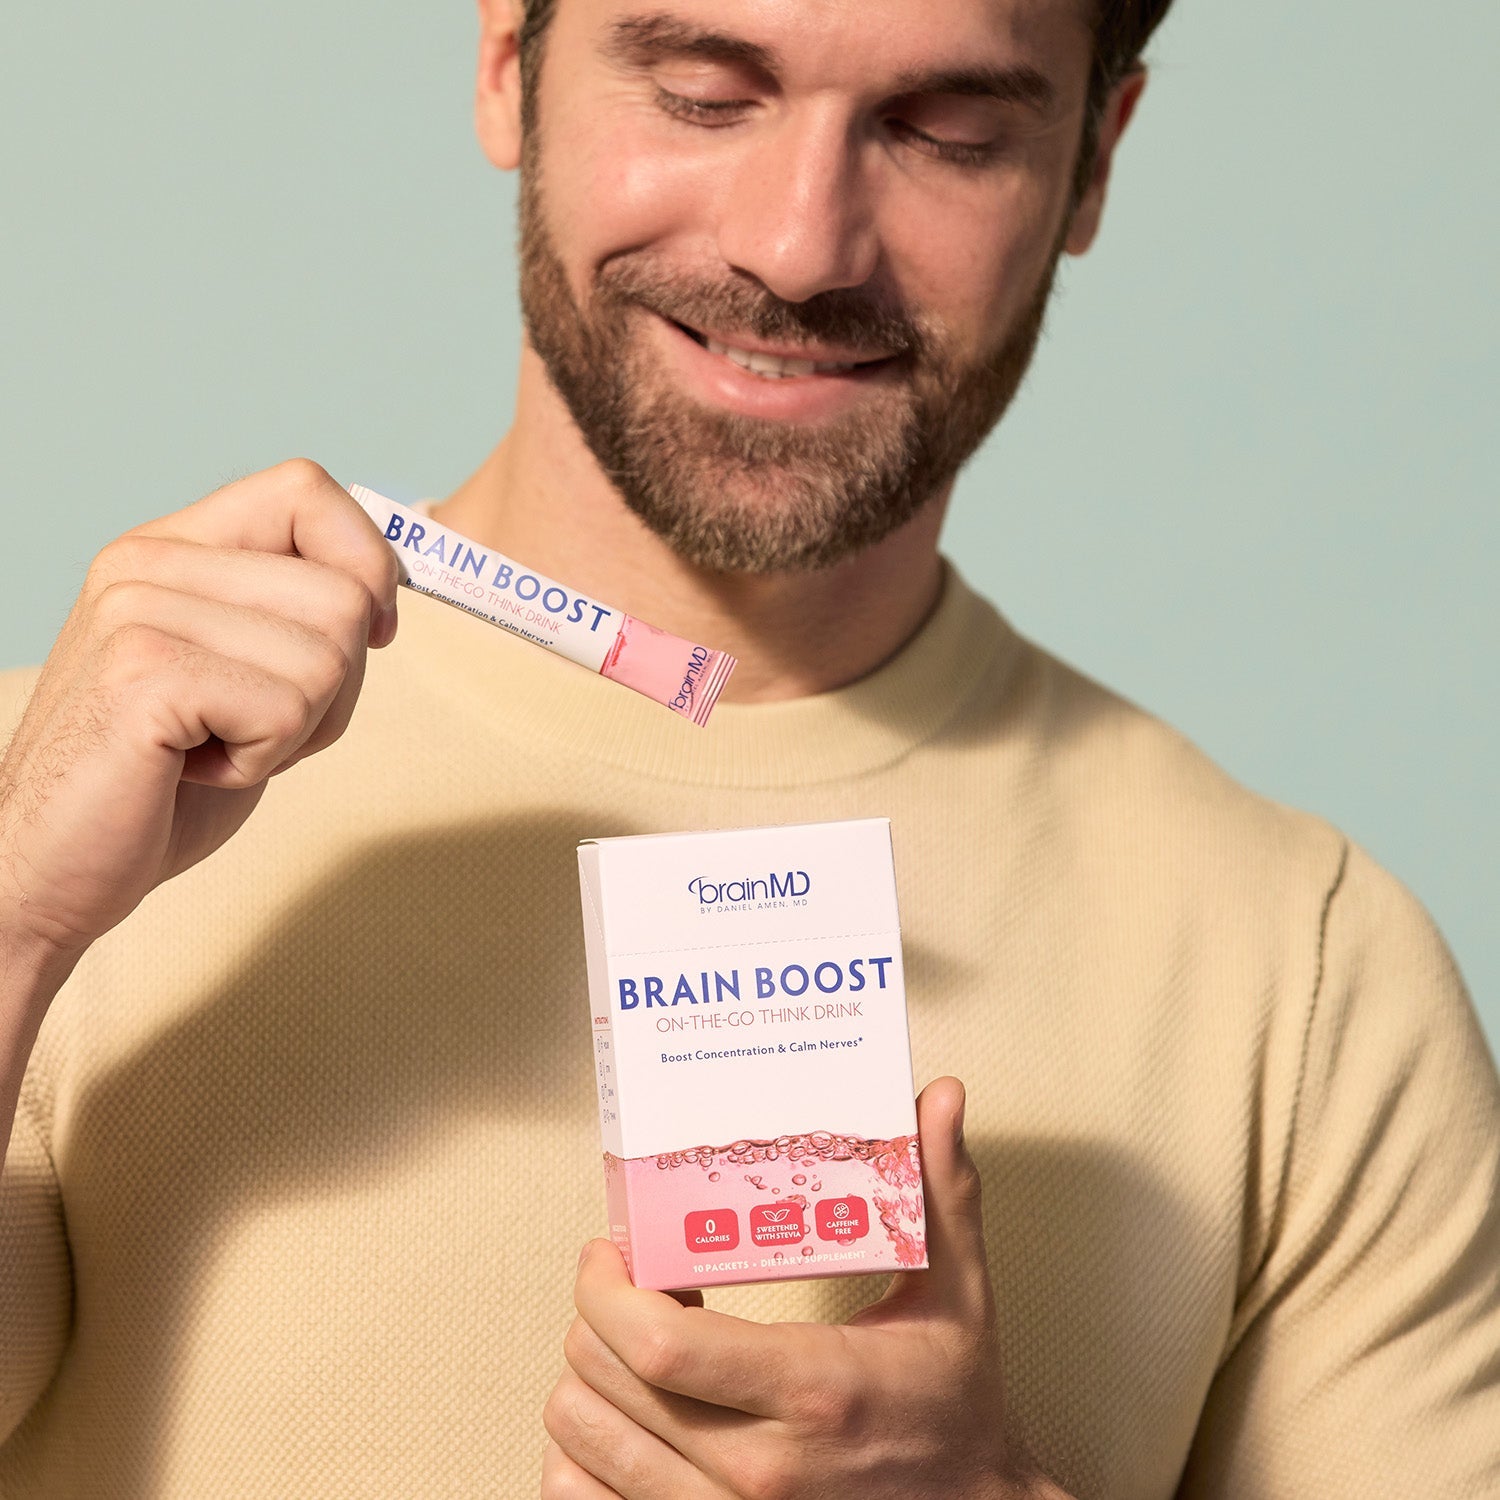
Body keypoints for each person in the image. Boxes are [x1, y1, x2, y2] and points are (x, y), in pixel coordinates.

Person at [1, 0, 1496, 1494]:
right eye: (704, 96)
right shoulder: (59, 805)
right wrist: (16, 922)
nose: (799, 246)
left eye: (948, 133)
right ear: (508, 68)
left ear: (1093, 163)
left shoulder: (1310, 978)